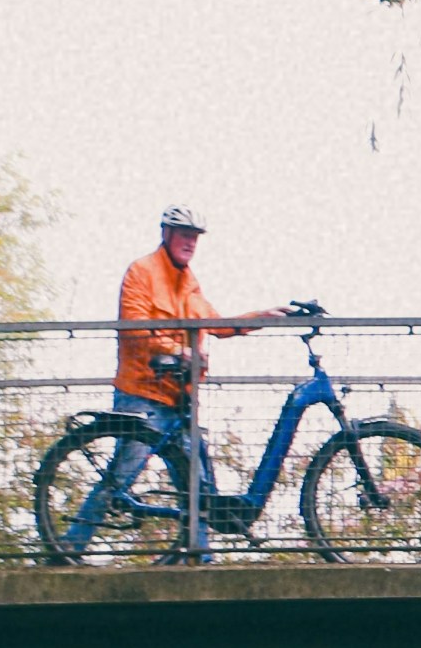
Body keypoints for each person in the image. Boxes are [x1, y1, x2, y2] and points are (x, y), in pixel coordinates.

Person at [82, 206, 291, 554]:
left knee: (199, 486)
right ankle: (70, 547)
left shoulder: (190, 282)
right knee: (122, 475)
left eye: (194, 237)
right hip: (142, 394)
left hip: (179, 400)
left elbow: (217, 324)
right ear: (166, 233)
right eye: (184, 234)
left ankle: (201, 558)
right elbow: (134, 327)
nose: (190, 243)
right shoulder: (142, 271)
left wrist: (264, 316)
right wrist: (178, 351)